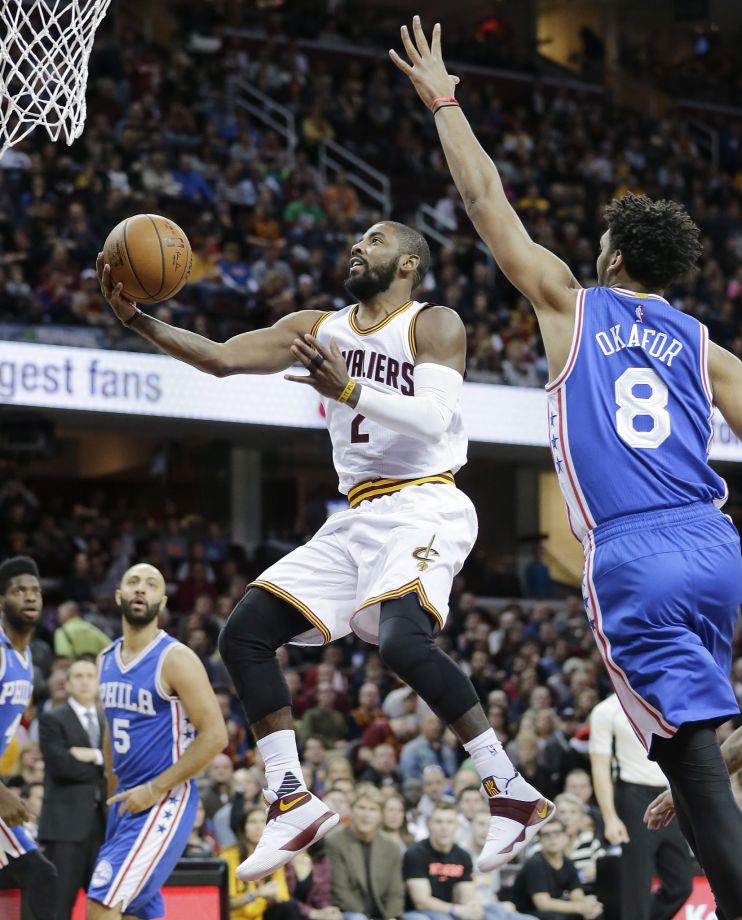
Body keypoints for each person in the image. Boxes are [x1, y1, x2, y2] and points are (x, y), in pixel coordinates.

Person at [392, 17, 742, 919]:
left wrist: (444, 100)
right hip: (716, 543)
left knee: (695, 755)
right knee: (697, 746)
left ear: (615, 257)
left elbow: (486, 206)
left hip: (633, 553)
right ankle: (693, 787)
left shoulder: (570, 303)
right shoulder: (708, 347)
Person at [97, 219, 554, 881]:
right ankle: (290, 798)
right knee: (245, 633)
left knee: (401, 641)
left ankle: (505, 785)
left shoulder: (435, 324)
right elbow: (222, 359)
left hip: (426, 500)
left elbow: (435, 417)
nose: (356, 247)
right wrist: (138, 320)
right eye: (356, 239)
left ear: (408, 263)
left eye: (374, 239)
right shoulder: (319, 326)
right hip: (359, 513)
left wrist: (346, 390)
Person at [87, 563, 228, 920]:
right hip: (125, 800)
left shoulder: (176, 659)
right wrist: (111, 792)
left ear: (161, 602)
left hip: (165, 798)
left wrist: (152, 790)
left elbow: (215, 737)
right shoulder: (105, 658)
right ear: (118, 595)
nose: (140, 589)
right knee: (135, 909)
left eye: (151, 585)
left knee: (101, 905)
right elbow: (110, 729)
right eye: (133, 582)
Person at [590, 693, 691, 920]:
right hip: (633, 795)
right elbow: (600, 766)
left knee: (681, 884)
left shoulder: (663, 698)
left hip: (668, 793)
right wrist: (610, 818)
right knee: (638, 885)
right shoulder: (606, 710)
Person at [0, 556, 58, 919]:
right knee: (40, 874)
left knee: (40, 874)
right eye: (19, 590)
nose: (30, 597)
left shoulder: (25, 660)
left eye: (35, 590)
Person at [39, 656, 108, 920]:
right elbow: (63, 767)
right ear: (66, 684)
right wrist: (103, 762)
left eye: (90, 676)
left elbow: (119, 766)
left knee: (104, 905)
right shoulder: (52, 719)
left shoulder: (109, 721)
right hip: (65, 828)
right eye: (78, 676)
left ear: (99, 683)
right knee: (59, 905)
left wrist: (95, 756)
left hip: (103, 827)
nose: (84, 682)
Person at [324, 787, 405, 920]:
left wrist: (392, 917)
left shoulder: (392, 847)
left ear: (381, 815)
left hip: (382, 914)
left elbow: (395, 893)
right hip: (349, 913)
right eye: (361, 808)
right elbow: (340, 890)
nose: (366, 815)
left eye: (373, 809)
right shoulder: (334, 842)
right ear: (351, 811)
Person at [402, 800, 482, 920]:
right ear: (429, 824)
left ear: (457, 826)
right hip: (416, 913)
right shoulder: (415, 853)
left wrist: (472, 909)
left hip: (450, 911)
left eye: (449, 822)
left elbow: (467, 895)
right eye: (438, 822)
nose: (444, 827)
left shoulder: (463, 856)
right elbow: (421, 902)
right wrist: (456, 910)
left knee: (491, 913)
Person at [510, 820, 603, 920]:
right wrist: (579, 907)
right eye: (546, 835)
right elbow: (543, 904)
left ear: (566, 836)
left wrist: (588, 906)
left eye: (557, 833)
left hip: (550, 912)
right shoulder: (535, 863)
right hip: (525, 913)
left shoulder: (568, 863)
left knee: (595, 914)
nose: (552, 838)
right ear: (540, 840)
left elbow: (577, 894)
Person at [222, 806, 295, 920]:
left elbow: (282, 900)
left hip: (264, 916)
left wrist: (273, 898)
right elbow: (225, 903)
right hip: (237, 917)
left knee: (289, 908)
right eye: (252, 822)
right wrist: (257, 894)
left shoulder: (275, 856)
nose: (259, 827)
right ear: (243, 828)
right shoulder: (228, 857)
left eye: (263, 822)